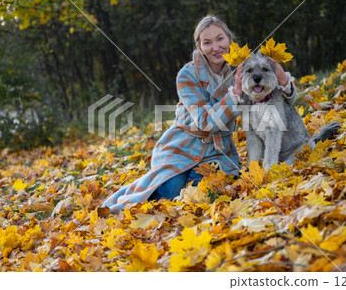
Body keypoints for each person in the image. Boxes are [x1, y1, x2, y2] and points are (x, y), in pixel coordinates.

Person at [102, 15, 297, 214]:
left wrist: (283, 82)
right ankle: (133, 197)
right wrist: (236, 94)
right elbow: (206, 122)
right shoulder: (187, 76)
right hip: (180, 148)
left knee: (201, 193)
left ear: (229, 39)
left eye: (220, 39)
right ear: (199, 46)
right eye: (207, 42)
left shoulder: (242, 70)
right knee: (170, 192)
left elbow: (277, 101)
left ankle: (173, 183)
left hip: (218, 153)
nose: (216, 47)